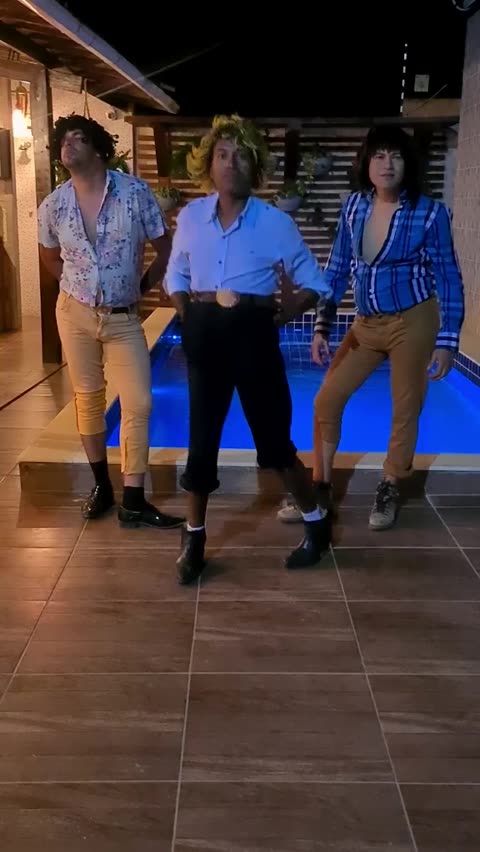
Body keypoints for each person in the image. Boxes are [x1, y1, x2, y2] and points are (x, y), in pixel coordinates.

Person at [164, 114, 333, 584]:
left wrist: (283, 313)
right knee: (201, 442)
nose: (230, 163)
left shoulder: (275, 222)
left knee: (275, 444)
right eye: (222, 154)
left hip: (254, 335)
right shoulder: (191, 217)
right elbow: (176, 271)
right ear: (208, 164)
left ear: (256, 167)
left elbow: (315, 281)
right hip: (203, 332)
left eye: (241, 156)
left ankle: (316, 525)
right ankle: (194, 539)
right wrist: (184, 309)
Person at [278, 124, 465, 530]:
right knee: (326, 400)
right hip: (365, 324)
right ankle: (319, 487)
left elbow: (449, 277)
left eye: (395, 156)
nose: (387, 164)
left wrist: (447, 340)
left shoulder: (430, 213)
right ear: (366, 163)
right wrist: (322, 326)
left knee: (405, 407)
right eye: (379, 155)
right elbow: (337, 269)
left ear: (407, 164)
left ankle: (391, 485)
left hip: (413, 320)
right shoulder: (354, 207)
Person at [38, 114, 183, 530]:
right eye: (63, 140)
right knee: (88, 398)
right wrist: (74, 287)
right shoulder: (53, 205)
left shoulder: (135, 193)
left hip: (122, 318)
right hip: (74, 313)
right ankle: (102, 485)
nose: (68, 145)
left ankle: (133, 499)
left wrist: (142, 285)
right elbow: (49, 255)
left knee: (139, 402)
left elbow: (166, 248)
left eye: (78, 138)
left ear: (100, 149)